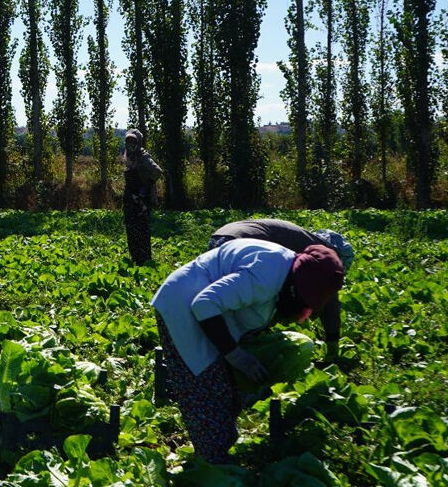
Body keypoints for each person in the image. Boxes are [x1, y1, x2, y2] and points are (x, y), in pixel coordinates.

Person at [151, 239, 345, 463]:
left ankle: (220, 453)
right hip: (183, 307)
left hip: (213, 315)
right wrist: (237, 356)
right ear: (298, 288)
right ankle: (211, 463)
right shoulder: (267, 275)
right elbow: (204, 304)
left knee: (224, 388)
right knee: (205, 388)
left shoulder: (288, 272)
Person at [209, 218, 355, 361]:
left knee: (225, 299)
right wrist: (333, 346)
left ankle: (223, 345)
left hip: (224, 237)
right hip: (237, 242)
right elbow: (330, 303)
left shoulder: (304, 240)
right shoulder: (319, 256)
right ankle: (236, 353)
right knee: (256, 302)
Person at [122, 129, 163, 264]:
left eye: (133, 141)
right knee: (131, 230)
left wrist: (144, 190)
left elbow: (157, 171)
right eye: (128, 141)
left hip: (141, 201)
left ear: (138, 142)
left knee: (142, 231)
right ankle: (135, 258)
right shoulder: (128, 156)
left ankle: (144, 260)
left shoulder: (143, 157)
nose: (130, 144)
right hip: (130, 199)